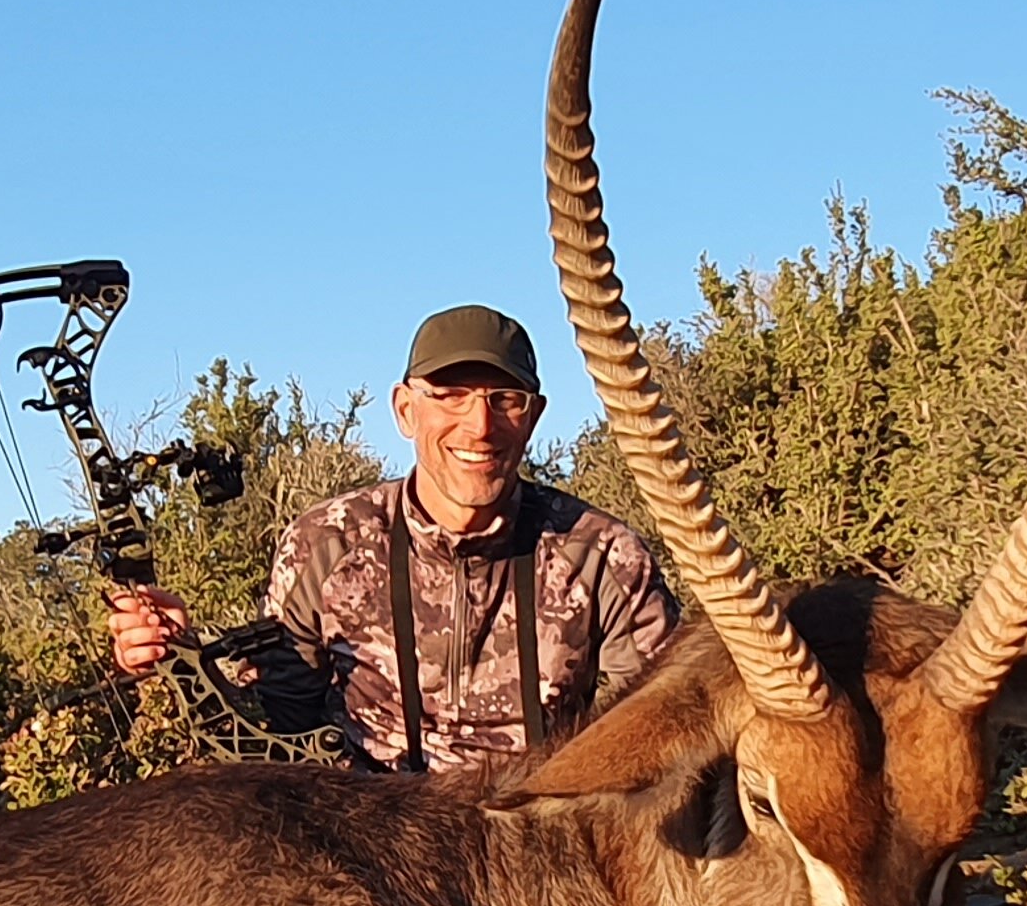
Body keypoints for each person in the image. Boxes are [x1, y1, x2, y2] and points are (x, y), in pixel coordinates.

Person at [110, 305, 677, 772]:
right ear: (406, 410)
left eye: (504, 399)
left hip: (536, 849)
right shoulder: (327, 544)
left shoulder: (602, 555)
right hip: (371, 854)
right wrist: (180, 657)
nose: (480, 425)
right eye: (451, 395)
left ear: (533, 417)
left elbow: (665, 730)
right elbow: (278, 731)